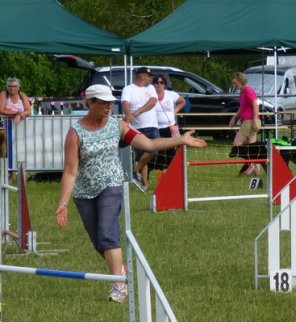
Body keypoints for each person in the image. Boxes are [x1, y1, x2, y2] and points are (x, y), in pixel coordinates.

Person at [55, 84, 206, 303]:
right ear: (90, 103)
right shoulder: (75, 133)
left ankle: (118, 285)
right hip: (84, 192)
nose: (108, 107)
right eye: (104, 103)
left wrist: (180, 140)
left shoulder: (119, 125)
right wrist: (63, 203)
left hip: (112, 185)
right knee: (99, 243)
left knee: (108, 232)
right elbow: (70, 171)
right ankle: (120, 270)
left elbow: (150, 143)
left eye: (110, 103)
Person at [121, 67, 159, 190]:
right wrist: (128, 115)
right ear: (142, 76)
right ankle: (144, 185)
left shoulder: (151, 88)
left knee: (153, 150)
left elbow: (153, 102)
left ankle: (134, 172)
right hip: (136, 127)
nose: (150, 79)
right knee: (142, 157)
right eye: (149, 76)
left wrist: (137, 112)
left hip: (151, 125)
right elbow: (125, 103)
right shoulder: (128, 89)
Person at [229, 72, 261, 176]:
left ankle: (250, 164)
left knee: (237, 144)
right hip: (247, 121)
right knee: (252, 148)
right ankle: (256, 172)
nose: (234, 85)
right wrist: (234, 118)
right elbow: (242, 107)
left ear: (241, 81)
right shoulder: (242, 92)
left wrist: (255, 120)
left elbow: (255, 105)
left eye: (235, 83)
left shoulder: (248, 90)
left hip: (250, 121)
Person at [0, 77, 32, 158]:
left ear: (18, 87)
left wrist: (19, 115)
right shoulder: (4, 94)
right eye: (10, 86)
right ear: (7, 87)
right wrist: (17, 113)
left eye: (14, 86)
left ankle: (19, 167)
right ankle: (7, 168)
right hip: (6, 128)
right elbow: (1, 110)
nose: (12, 88)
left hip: (22, 128)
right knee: (5, 149)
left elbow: (28, 111)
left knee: (21, 148)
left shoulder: (22, 95)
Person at [153, 74, 185, 138]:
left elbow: (182, 101)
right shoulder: (149, 95)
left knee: (172, 147)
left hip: (170, 127)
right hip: (155, 128)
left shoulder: (171, 94)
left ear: (164, 84)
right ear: (154, 84)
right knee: (158, 147)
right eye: (157, 82)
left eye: (161, 82)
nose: (159, 84)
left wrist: (174, 112)